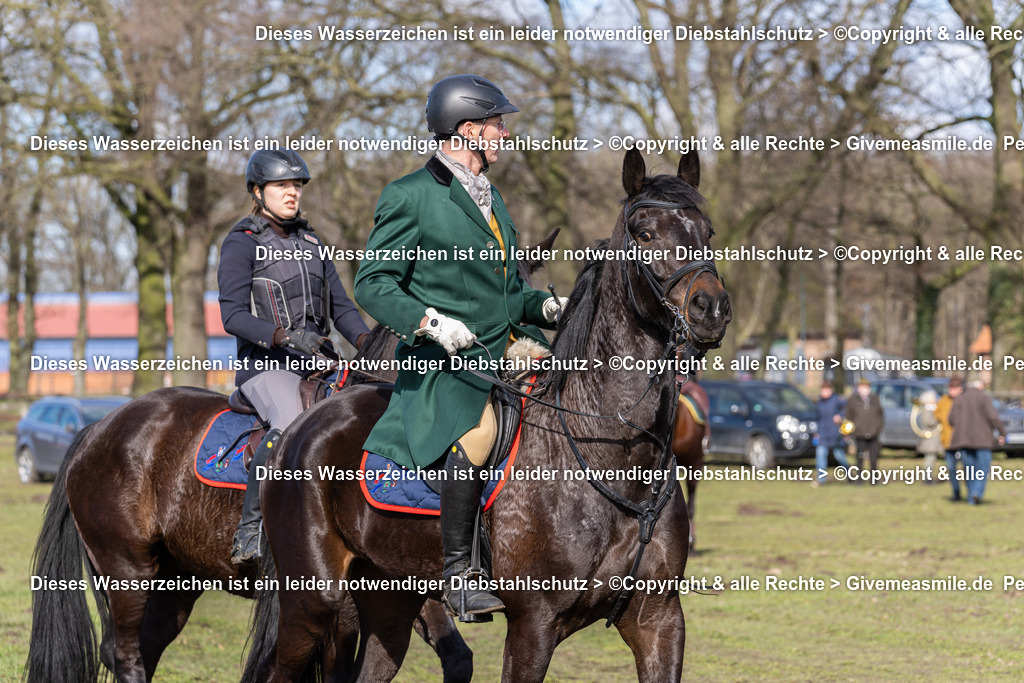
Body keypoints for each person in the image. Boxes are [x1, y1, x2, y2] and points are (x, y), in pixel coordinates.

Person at [354, 75, 564, 618]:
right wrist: (427, 321)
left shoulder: (494, 200)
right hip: (440, 367)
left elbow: (506, 293)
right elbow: (372, 283)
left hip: (501, 353)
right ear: (468, 131)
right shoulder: (410, 195)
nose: (505, 135)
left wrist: (546, 309)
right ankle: (458, 573)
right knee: (480, 430)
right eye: (498, 125)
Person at [219, 148, 371, 563]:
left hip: (321, 364)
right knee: (291, 425)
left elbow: (341, 309)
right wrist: (282, 336)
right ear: (257, 190)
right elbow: (231, 315)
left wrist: (368, 346)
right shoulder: (242, 241)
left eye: (298, 185)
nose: (293, 193)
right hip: (267, 365)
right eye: (282, 185)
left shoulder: (312, 241)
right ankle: (250, 532)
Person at [948, 379, 1005, 505]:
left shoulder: (959, 399)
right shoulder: (984, 398)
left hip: (964, 441)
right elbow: (994, 417)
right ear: (980, 387)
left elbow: (951, 419)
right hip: (983, 441)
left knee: (969, 469)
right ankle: (976, 493)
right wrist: (1002, 433)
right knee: (982, 469)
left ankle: (971, 496)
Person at [844, 378, 884, 482]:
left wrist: (879, 427)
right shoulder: (853, 400)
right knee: (859, 458)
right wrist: (852, 429)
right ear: (858, 388)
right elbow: (849, 416)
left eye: (866, 387)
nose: (865, 389)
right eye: (862, 387)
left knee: (874, 458)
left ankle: (874, 480)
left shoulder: (875, 398)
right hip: (859, 433)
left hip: (873, 432)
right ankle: (859, 479)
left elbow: (880, 414)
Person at [812, 381, 849, 486]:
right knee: (820, 455)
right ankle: (821, 479)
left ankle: (850, 474)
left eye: (826, 390)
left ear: (831, 390)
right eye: (822, 390)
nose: (824, 392)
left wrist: (840, 416)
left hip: (835, 434)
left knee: (839, 456)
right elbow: (819, 419)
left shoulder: (837, 400)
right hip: (823, 434)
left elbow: (846, 409)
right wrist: (817, 432)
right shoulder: (820, 403)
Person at [935, 377, 963, 500]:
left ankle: (972, 492)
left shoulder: (964, 401)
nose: (950, 390)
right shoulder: (944, 400)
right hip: (948, 441)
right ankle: (956, 492)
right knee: (951, 469)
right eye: (949, 388)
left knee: (968, 468)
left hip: (963, 441)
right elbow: (937, 414)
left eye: (953, 388)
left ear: (960, 389)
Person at [913, 390, 942, 484]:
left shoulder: (931, 409)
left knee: (931, 459)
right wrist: (938, 418)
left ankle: (929, 477)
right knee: (929, 460)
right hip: (930, 440)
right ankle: (927, 478)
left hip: (933, 440)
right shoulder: (927, 410)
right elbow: (929, 422)